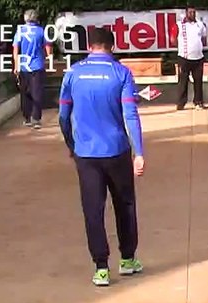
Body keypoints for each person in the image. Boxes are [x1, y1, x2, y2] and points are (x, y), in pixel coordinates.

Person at [57, 26, 146, 287]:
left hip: (85, 155)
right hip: (117, 151)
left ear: (89, 47)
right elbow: (131, 115)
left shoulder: (72, 73)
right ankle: (128, 260)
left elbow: (63, 117)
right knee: (125, 204)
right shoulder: (121, 73)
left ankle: (101, 267)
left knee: (93, 209)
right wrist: (138, 152)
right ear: (112, 46)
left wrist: (71, 144)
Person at [13, 9, 48, 128]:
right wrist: (47, 58)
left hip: (23, 66)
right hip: (37, 65)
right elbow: (47, 47)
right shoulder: (41, 31)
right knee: (37, 92)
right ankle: (36, 119)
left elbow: (15, 49)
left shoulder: (20, 31)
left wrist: (16, 65)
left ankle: (27, 118)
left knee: (25, 92)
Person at [175, 8, 208, 111]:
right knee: (183, 82)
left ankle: (198, 102)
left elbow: (203, 39)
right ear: (186, 13)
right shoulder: (180, 25)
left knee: (198, 82)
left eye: (194, 12)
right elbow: (173, 39)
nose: (192, 14)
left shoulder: (200, 25)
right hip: (184, 58)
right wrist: (182, 50)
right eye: (190, 12)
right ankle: (181, 103)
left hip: (198, 57)